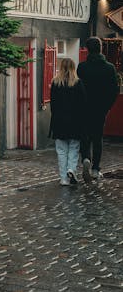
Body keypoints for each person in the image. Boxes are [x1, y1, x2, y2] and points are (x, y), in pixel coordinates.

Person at [77, 37, 119, 182]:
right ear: (100, 48)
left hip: (84, 108)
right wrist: (106, 106)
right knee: (97, 137)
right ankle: (95, 169)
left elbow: (78, 89)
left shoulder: (82, 67)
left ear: (88, 49)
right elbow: (114, 90)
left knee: (84, 136)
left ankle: (86, 158)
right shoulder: (109, 68)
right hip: (100, 108)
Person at [49, 58, 87, 186]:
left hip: (59, 122)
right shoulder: (78, 83)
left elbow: (53, 105)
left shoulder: (55, 83)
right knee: (74, 148)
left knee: (61, 150)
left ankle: (63, 178)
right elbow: (83, 104)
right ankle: (71, 169)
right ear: (73, 68)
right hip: (75, 122)